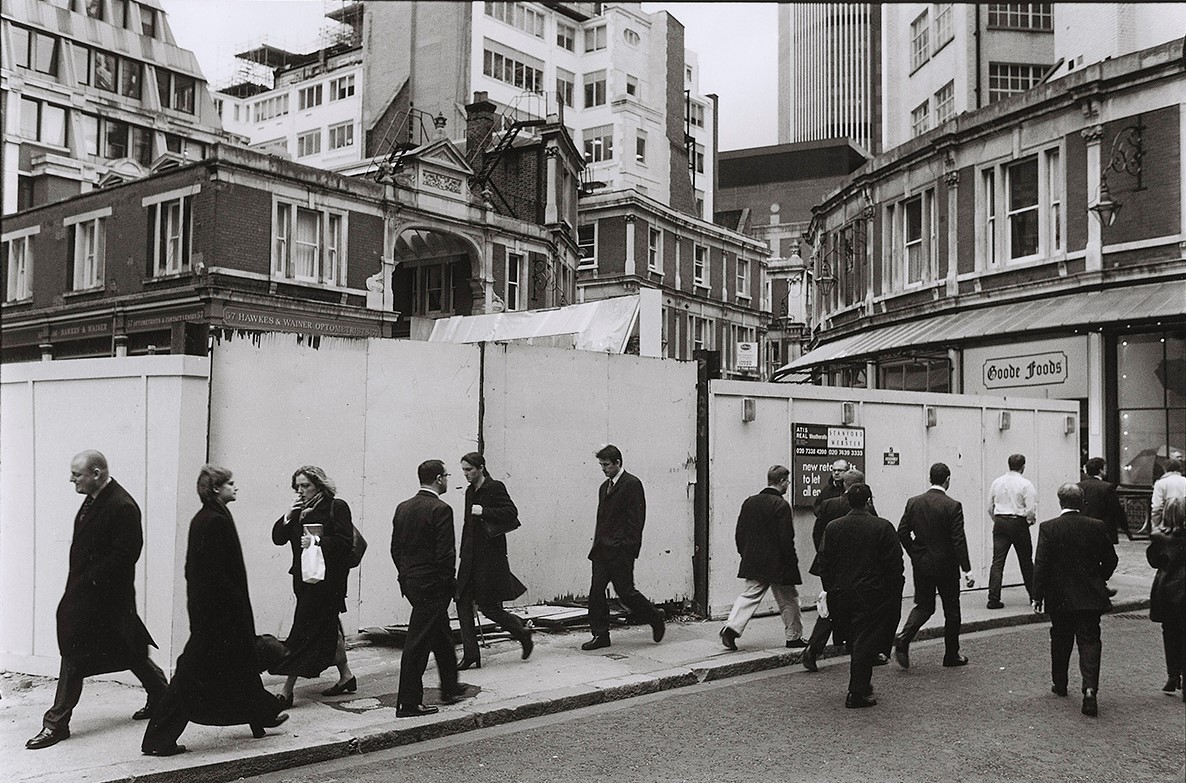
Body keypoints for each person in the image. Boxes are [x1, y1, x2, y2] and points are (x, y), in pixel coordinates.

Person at [26, 450, 170, 750]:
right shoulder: (97, 499)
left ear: (96, 473)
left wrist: (88, 584)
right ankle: (163, 698)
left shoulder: (122, 505)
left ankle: (56, 723)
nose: (71, 479)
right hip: (93, 596)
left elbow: (125, 555)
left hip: (103, 599)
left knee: (75, 654)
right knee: (131, 650)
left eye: (76, 474)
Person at [141, 466, 288, 756]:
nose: (236, 487)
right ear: (217, 489)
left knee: (240, 666)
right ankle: (157, 740)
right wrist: (228, 616)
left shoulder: (208, 517)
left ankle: (264, 715)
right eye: (230, 483)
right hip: (218, 619)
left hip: (215, 616)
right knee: (189, 677)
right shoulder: (214, 521)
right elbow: (214, 577)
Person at [270, 466, 356, 707]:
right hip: (304, 581)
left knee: (302, 632)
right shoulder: (298, 511)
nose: (301, 490)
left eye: (305, 485)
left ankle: (287, 691)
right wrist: (288, 516)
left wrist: (316, 542)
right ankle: (346, 676)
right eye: (297, 486)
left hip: (328, 583)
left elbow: (345, 542)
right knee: (329, 629)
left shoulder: (335, 506)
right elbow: (278, 538)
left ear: (319, 484)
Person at [1032, 483, 1118, 718]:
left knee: (1060, 638)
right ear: (1081, 502)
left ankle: (1060, 683)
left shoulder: (1049, 528)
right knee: (1090, 640)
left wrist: (1037, 594)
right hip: (1090, 594)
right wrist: (1100, 578)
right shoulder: (1096, 526)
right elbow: (1111, 559)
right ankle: (1090, 689)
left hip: (1059, 595)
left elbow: (1041, 564)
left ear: (1060, 502)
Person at [816, 483, 903, 708]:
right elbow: (895, 565)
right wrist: (891, 593)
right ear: (869, 501)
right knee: (865, 642)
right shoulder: (882, 527)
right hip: (872, 594)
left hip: (842, 593)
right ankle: (857, 692)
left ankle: (862, 684)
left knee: (856, 641)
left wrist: (832, 587)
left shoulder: (833, 527)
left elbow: (823, 562)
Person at [390, 459, 462, 717]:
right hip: (433, 584)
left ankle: (451, 687)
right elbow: (445, 554)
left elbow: (395, 549)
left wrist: (406, 575)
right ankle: (407, 702)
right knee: (417, 643)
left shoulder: (403, 507)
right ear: (440, 479)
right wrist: (449, 585)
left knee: (441, 633)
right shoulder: (441, 509)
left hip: (411, 582)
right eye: (447, 476)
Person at [580, 444, 666, 651]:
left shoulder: (632, 484)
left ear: (618, 463)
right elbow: (602, 520)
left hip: (620, 551)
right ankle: (600, 635)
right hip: (601, 550)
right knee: (596, 592)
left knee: (625, 592)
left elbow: (636, 521)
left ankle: (655, 617)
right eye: (601, 465)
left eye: (606, 465)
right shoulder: (604, 487)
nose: (603, 469)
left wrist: (627, 548)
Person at [455, 452, 533, 670]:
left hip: (489, 558)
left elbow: (511, 512)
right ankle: (471, 655)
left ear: (480, 468)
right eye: (463, 470)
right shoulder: (470, 492)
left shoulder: (495, 487)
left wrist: (485, 511)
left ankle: (521, 632)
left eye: (469, 470)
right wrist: (462, 553)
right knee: (461, 601)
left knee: (488, 607)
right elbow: (466, 525)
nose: (465, 474)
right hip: (470, 556)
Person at [894, 463, 973, 669]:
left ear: (930, 478)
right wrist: (967, 569)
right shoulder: (953, 505)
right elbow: (958, 540)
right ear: (948, 479)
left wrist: (915, 553)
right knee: (952, 610)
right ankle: (951, 655)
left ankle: (904, 637)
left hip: (922, 564)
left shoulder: (914, 502)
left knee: (924, 606)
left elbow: (902, 532)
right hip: (947, 565)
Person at [720, 466, 804, 651]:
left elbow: (739, 533)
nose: (787, 485)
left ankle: (731, 628)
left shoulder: (749, 502)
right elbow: (785, 539)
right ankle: (793, 637)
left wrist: (745, 554)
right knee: (789, 599)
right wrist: (791, 563)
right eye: (787, 482)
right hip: (778, 563)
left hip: (754, 560)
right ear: (782, 481)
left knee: (749, 595)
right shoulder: (781, 505)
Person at [803, 468, 879, 671]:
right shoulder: (866, 508)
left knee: (830, 608)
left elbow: (817, 533)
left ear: (844, 484)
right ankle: (861, 650)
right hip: (858, 568)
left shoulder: (828, 505)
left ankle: (813, 648)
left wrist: (825, 558)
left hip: (832, 567)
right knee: (861, 610)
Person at [1146, 496, 1186, 701]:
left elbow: (1153, 561)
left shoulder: (1159, 537)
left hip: (1168, 588)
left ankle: (1173, 675)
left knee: (1170, 632)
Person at [986, 454, 1037, 609]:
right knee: (1026, 560)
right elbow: (1030, 509)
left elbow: (990, 506)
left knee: (998, 561)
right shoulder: (1026, 484)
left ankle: (993, 598)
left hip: (1000, 522)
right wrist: (1029, 521)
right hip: (1018, 522)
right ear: (1023, 466)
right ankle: (1034, 596)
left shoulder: (997, 482)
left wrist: (997, 520)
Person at [1078, 457, 1128, 543]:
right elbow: (1115, 509)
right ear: (1100, 470)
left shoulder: (1079, 486)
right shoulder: (1108, 487)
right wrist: (1126, 528)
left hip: (1083, 528)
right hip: (1103, 529)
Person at [1150, 459, 1186, 534]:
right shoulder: (1185, 481)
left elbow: (1157, 506)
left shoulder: (1160, 483)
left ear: (1165, 469)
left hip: (1167, 524)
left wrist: (1155, 525)